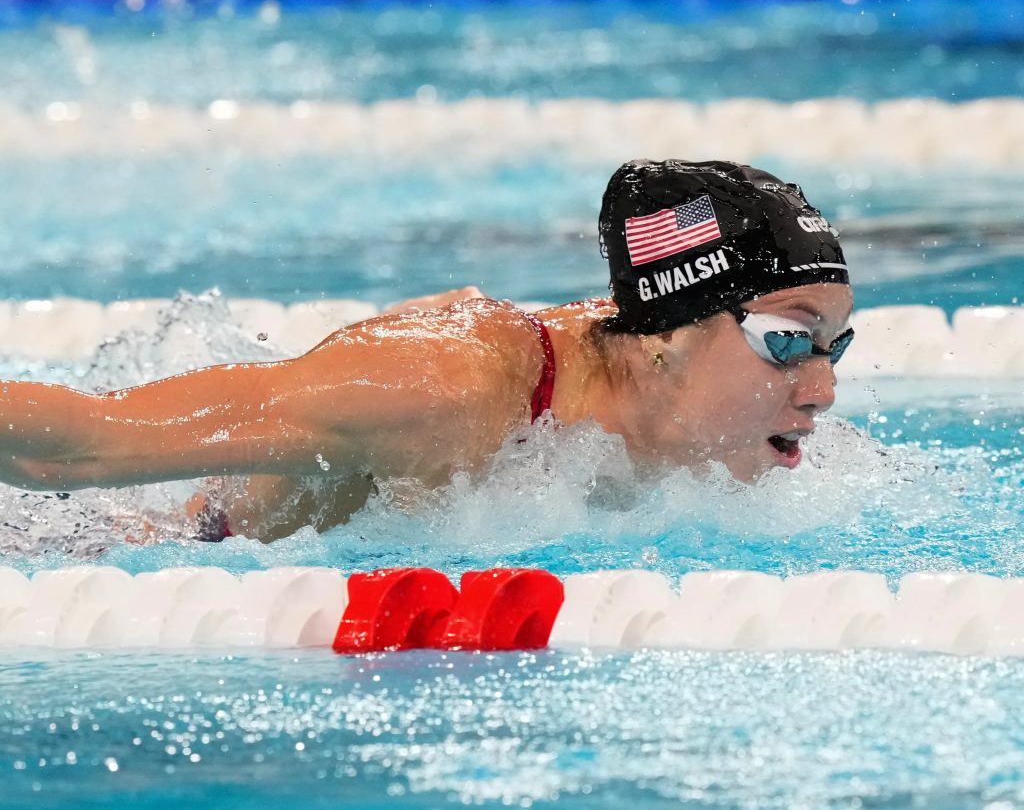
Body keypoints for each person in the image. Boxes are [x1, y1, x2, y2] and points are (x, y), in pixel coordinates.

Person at [0, 160, 853, 543]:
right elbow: (81, 445)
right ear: (665, 338)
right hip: (148, 543)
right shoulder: (449, 394)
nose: (822, 390)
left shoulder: (707, 409)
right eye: (786, 342)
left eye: (832, 345)